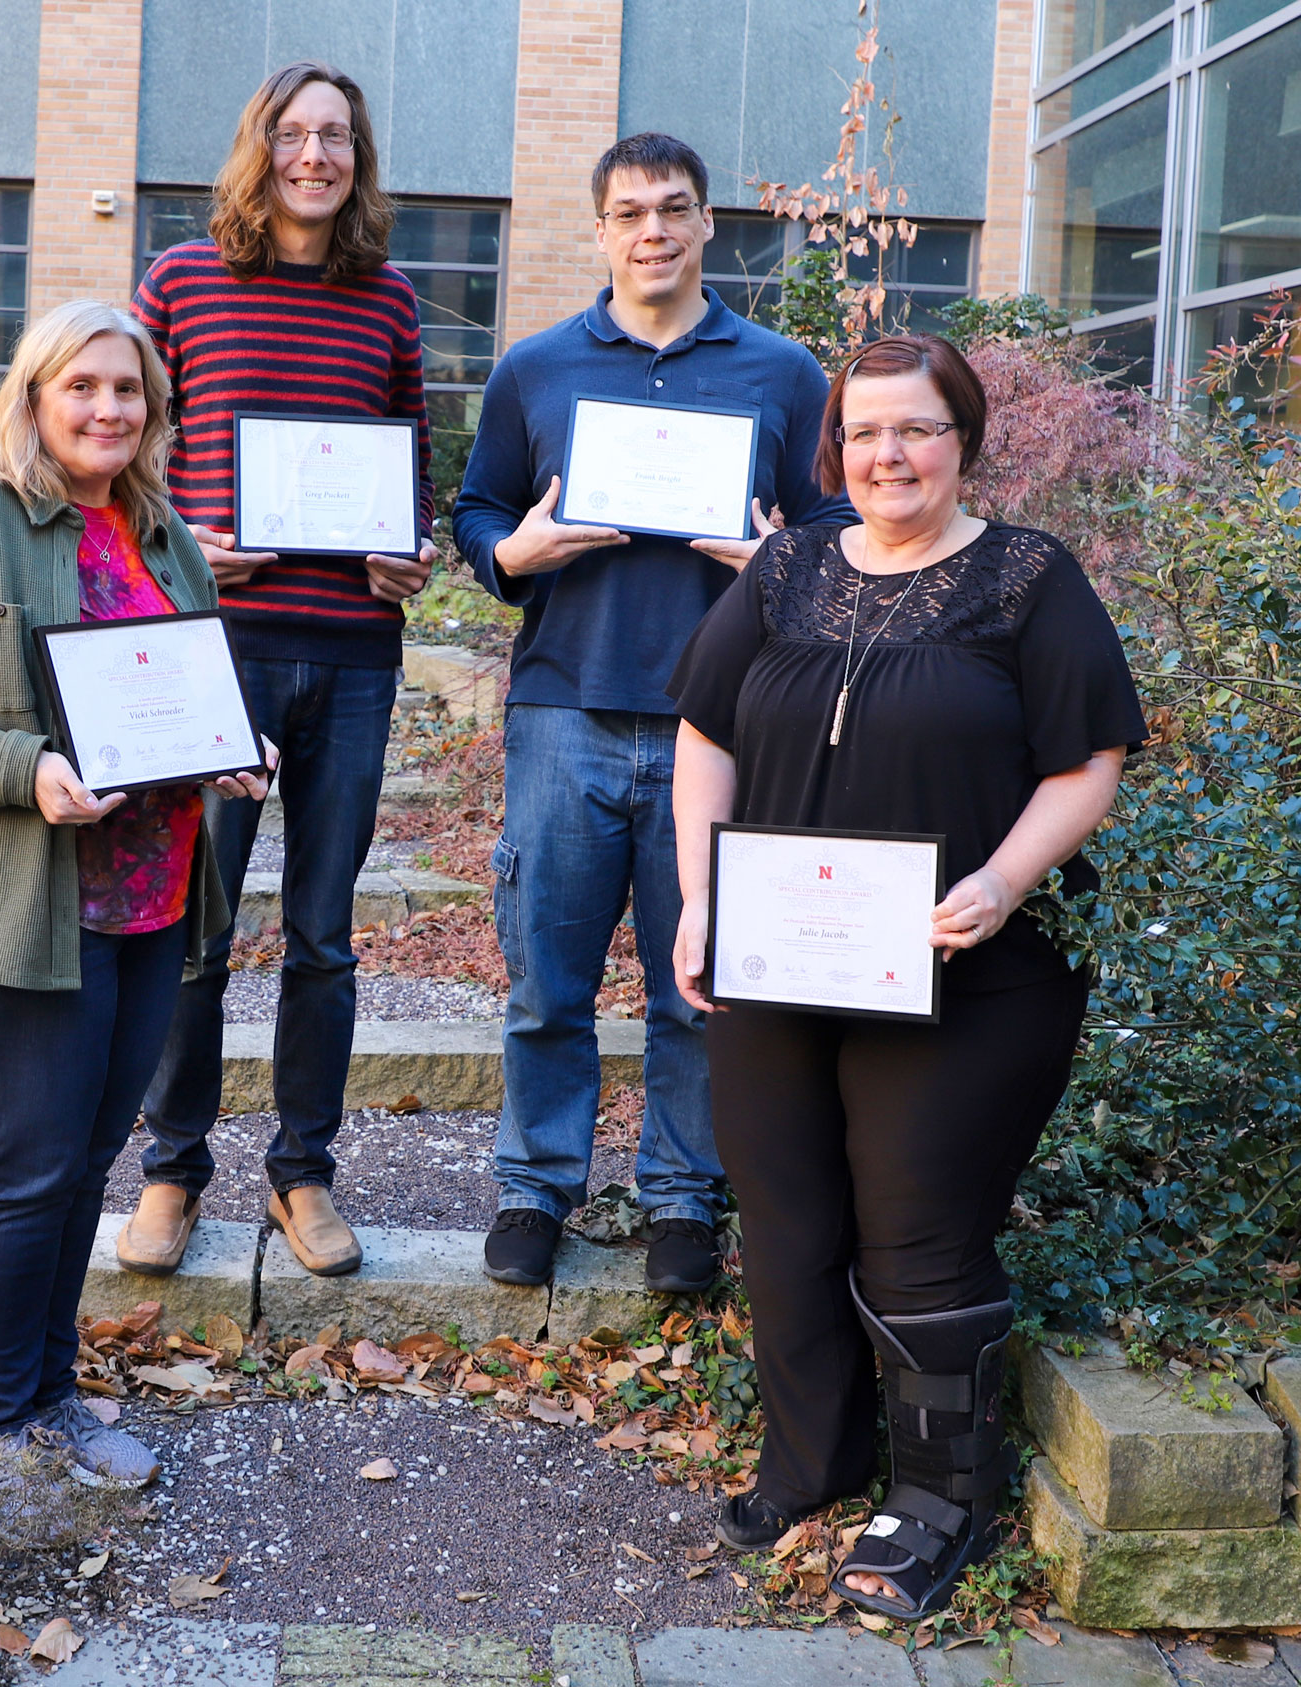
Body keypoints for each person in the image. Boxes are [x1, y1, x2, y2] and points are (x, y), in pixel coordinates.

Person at [664, 332, 1144, 1619]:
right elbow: (705, 732)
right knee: (785, 1217)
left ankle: (943, 1498)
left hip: (969, 970)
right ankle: (815, 1459)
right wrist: (701, 897)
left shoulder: (1029, 579)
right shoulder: (788, 567)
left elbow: (1091, 758)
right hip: (778, 957)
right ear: (838, 448)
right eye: (866, 431)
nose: (890, 453)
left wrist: (1003, 878)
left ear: (964, 439)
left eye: (917, 429)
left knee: (918, 1231)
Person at [0, 299, 277, 1545]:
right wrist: (19, 766)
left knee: (85, 1160)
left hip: (147, 896)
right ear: (34, 397)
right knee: (30, 1162)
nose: (106, 410)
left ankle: (54, 1399)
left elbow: (186, 685)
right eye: (80, 387)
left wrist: (236, 746)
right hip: (11, 899)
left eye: (128, 390)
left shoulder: (161, 533)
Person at [450, 133, 846, 1295]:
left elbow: (835, 534)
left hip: (724, 726)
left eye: (674, 209)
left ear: (709, 221)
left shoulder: (782, 373)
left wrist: (784, 562)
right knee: (545, 975)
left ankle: (681, 1196)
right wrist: (513, 551)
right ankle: (535, 1185)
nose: (653, 231)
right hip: (564, 706)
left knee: (700, 979)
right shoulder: (537, 367)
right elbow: (478, 514)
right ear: (601, 229)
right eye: (629, 212)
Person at [124, 61, 437, 1283]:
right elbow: (124, 446)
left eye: (338, 137)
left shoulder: (392, 301)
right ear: (261, 149)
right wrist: (177, 547)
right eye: (295, 135)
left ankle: (303, 1173)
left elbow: (407, 460)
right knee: (196, 924)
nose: (317, 155)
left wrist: (409, 553)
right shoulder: (182, 280)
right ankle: (170, 1170)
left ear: (359, 158)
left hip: (354, 654)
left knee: (324, 937)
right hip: (220, 654)